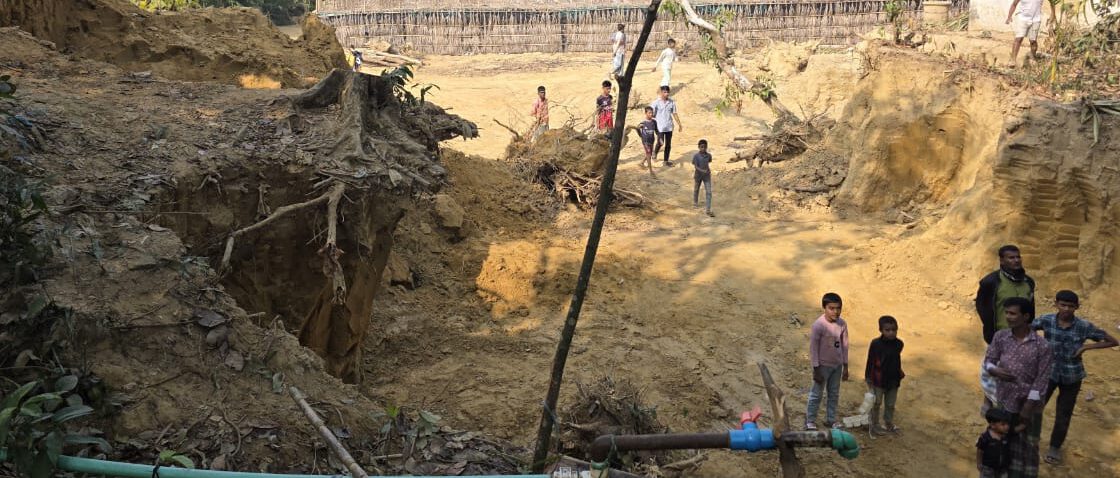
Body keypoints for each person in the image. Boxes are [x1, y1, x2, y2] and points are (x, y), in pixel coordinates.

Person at [1031, 290, 1118, 465]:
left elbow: (1113, 341)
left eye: (1070, 306)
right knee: (1035, 407)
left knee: (1063, 414)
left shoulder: (1084, 326)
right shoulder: (1046, 320)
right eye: (1063, 305)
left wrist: (1085, 347)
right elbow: (1026, 329)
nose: (1066, 309)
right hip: (1048, 373)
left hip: (1072, 376)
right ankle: (1029, 441)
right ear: (1056, 304)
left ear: (1077, 307)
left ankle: (1054, 447)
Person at [984, 297, 1051, 478]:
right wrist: (995, 370)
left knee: (1027, 446)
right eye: (1006, 313)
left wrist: (1028, 406)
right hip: (1004, 400)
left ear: (1026, 316)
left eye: (1012, 313)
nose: (1008, 317)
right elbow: (989, 361)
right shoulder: (1001, 337)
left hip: (1028, 405)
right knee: (1000, 440)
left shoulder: (1042, 346)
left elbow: (1042, 379)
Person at [976, 245, 1036, 415]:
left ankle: (1011, 404)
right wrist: (991, 329)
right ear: (1002, 260)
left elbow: (1031, 307)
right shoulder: (990, 282)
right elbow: (982, 306)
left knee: (1017, 369)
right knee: (993, 369)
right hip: (998, 335)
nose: (1016, 260)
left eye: (1018, 257)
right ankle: (988, 400)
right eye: (1011, 257)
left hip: (1021, 335)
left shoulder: (1028, 282)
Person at [806, 292, 849, 431]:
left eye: (838, 308)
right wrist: (816, 368)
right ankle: (810, 420)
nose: (835, 311)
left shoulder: (842, 324)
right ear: (824, 307)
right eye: (831, 308)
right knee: (816, 394)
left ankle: (831, 419)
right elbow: (813, 349)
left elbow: (845, 345)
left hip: (837, 366)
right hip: (822, 366)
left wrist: (845, 366)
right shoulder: (819, 326)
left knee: (834, 394)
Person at [865, 315, 904, 436]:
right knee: (876, 403)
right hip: (878, 380)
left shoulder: (899, 344)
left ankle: (888, 422)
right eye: (887, 330)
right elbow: (870, 360)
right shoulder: (876, 344)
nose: (891, 332)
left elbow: (895, 360)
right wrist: (868, 377)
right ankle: (874, 424)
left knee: (890, 404)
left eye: (894, 330)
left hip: (893, 380)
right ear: (880, 330)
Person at [1005, 0, 1050, 67]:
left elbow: (1052, 2)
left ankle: (1033, 58)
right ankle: (1013, 60)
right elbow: (1014, 4)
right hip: (1023, 19)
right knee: (1019, 38)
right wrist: (1009, 16)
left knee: (1033, 41)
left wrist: (1053, 15)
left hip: (1036, 20)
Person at [650, 86, 683, 167]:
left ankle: (666, 161)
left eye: (668, 92)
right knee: (661, 142)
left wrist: (679, 124)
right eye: (664, 92)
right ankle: (655, 153)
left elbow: (674, 113)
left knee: (668, 144)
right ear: (661, 93)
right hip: (660, 127)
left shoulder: (671, 102)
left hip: (669, 126)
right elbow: (651, 113)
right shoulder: (656, 103)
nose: (666, 94)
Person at [976, 408, 1014, 478]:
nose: (1007, 427)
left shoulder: (1006, 435)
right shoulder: (985, 437)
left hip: (1003, 468)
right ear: (993, 425)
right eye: (1003, 424)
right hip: (988, 468)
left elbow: (1015, 430)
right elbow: (980, 451)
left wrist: (1023, 425)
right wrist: (979, 463)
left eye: (1008, 424)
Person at [630, 106, 658, 177]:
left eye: (652, 113)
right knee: (648, 154)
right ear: (646, 113)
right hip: (645, 141)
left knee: (650, 153)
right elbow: (637, 128)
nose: (651, 114)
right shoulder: (643, 123)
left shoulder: (654, 122)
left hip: (652, 140)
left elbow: (657, 131)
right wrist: (640, 135)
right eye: (649, 113)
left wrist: (660, 138)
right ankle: (651, 171)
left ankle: (641, 163)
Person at [691, 139, 714, 217]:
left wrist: (706, 171)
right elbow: (696, 166)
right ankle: (695, 202)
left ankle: (708, 209)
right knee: (696, 189)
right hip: (698, 175)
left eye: (704, 147)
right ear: (699, 147)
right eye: (701, 147)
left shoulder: (709, 156)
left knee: (709, 192)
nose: (703, 148)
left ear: (706, 147)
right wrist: (702, 170)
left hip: (707, 176)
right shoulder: (696, 156)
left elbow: (709, 162)